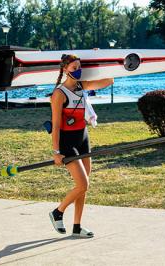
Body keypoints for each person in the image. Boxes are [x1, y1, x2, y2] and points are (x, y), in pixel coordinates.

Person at [49, 54, 113, 238]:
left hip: (83, 138)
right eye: (74, 67)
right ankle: (57, 212)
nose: (78, 70)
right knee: (83, 184)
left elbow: (109, 80)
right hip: (67, 142)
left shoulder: (81, 86)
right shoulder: (59, 94)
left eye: (80, 66)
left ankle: (77, 227)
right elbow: (55, 125)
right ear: (65, 70)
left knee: (83, 186)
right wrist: (56, 152)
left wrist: (98, 55)